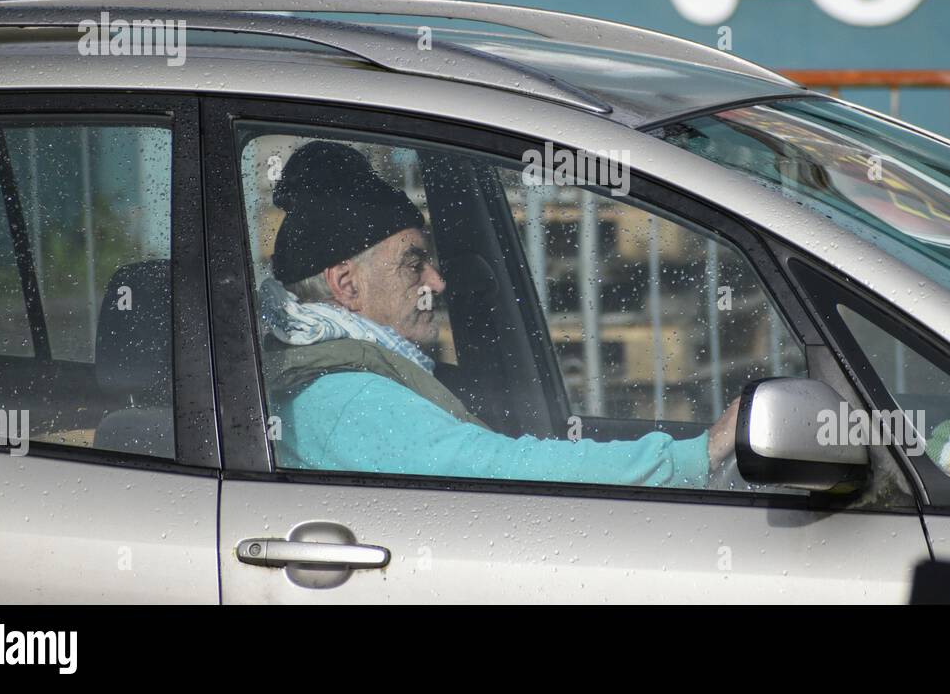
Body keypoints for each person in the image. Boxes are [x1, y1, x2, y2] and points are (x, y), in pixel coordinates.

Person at [258, 140, 738, 488]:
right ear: (347, 285)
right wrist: (698, 453)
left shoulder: (343, 372)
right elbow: (508, 474)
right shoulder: (346, 398)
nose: (437, 282)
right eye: (413, 263)